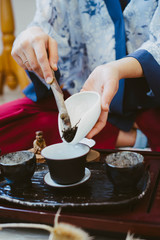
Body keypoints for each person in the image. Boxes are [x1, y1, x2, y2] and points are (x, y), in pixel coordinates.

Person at [0, 0, 160, 155]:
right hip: (83, 97)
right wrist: (32, 37)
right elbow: (47, 26)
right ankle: (127, 138)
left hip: (148, 101)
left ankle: (130, 135)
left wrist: (117, 68)